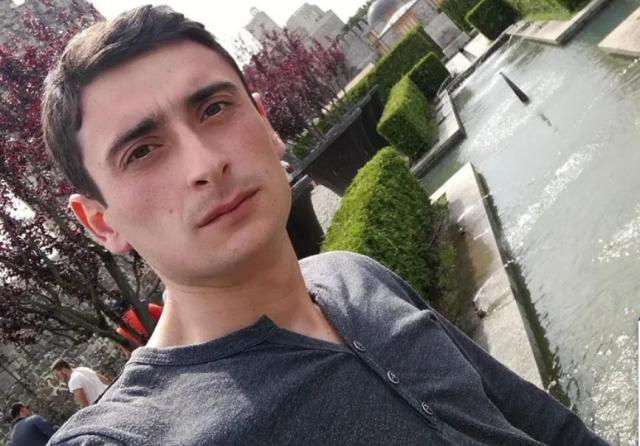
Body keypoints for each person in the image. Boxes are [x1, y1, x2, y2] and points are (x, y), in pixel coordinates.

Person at [41, 5, 608, 445]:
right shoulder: (131, 437)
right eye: (142, 151)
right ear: (100, 223)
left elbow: (553, 429)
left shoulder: (356, 277)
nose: (205, 164)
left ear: (266, 123)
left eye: (214, 109)